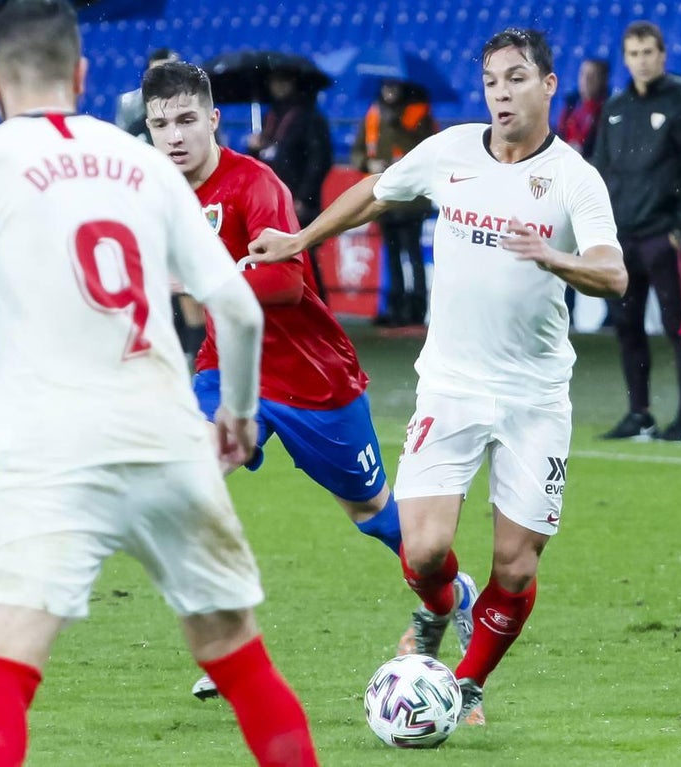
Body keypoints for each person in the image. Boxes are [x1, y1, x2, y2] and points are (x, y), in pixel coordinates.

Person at [0, 3, 320, 765]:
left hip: (56, 454)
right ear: (80, 76)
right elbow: (238, 310)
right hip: (172, 443)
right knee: (241, 662)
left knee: (2, 672)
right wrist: (238, 414)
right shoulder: (141, 158)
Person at [247, 28, 627, 727]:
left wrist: (555, 258)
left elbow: (614, 272)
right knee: (422, 548)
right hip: (451, 382)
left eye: (517, 78)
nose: (501, 92)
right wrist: (300, 239)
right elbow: (375, 192)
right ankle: (436, 607)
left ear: (548, 85)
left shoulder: (574, 177)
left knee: (515, 567)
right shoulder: (450, 149)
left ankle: (466, 683)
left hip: (535, 396)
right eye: (491, 81)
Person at [142, 61, 476, 701]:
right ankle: (232, 645)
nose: (175, 136)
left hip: (314, 381)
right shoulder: (158, 191)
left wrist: (196, 280)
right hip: (229, 369)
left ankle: (453, 591)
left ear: (214, 120)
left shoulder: (255, 184)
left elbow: (285, 281)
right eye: (161, 125)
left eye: (187, 120)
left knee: (375, 515)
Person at [592, 21, 681, 442]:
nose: (641, 61)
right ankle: (638, 413)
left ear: (662, 55)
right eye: (633, 54)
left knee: (678, 326)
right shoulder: (615, 108)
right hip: (623, 238)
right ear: (625, 59)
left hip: (663, 236)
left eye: (648, 53)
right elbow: (599, 170)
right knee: (626, 326)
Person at [350, 79, 437, 327]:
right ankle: (396, 306)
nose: (389, 92)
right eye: (386, 87)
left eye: (394, 87)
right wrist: (369, 164)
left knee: (410, 251)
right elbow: (359, 151)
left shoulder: (418, 114)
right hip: (384, 195)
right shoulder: (373, 115)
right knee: (394, 254)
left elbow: (424, 151)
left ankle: (417, 308)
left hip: (411, 197)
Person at [247, 66, 333, 301]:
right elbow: (262, 163)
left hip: (298, 199)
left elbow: (319, 161)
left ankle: (319, 307)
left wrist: (304, 197)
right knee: (276, 256)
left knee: (306, 256)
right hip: (271, 199)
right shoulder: (269, 117)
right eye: (275, 81)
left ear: (295, 83)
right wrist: (253, 149)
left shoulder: (311, 117)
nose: (279, 86)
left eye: (284, 80)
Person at [555, 57, 610, 320]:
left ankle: (612, 314)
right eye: (583, 74)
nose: (586, 80)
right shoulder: (571, 104)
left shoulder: (609, 109)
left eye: (593, 75)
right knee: (566, 251)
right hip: (567, 190)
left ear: (604, 79)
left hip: (597, 192)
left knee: (601, 250)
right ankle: (566, 312)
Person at [115, 47, 180, 141]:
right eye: (158, 72)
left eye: (171, 71)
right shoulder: (128, 102)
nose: (165, 77)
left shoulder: (190, 99)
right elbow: (123, 140)